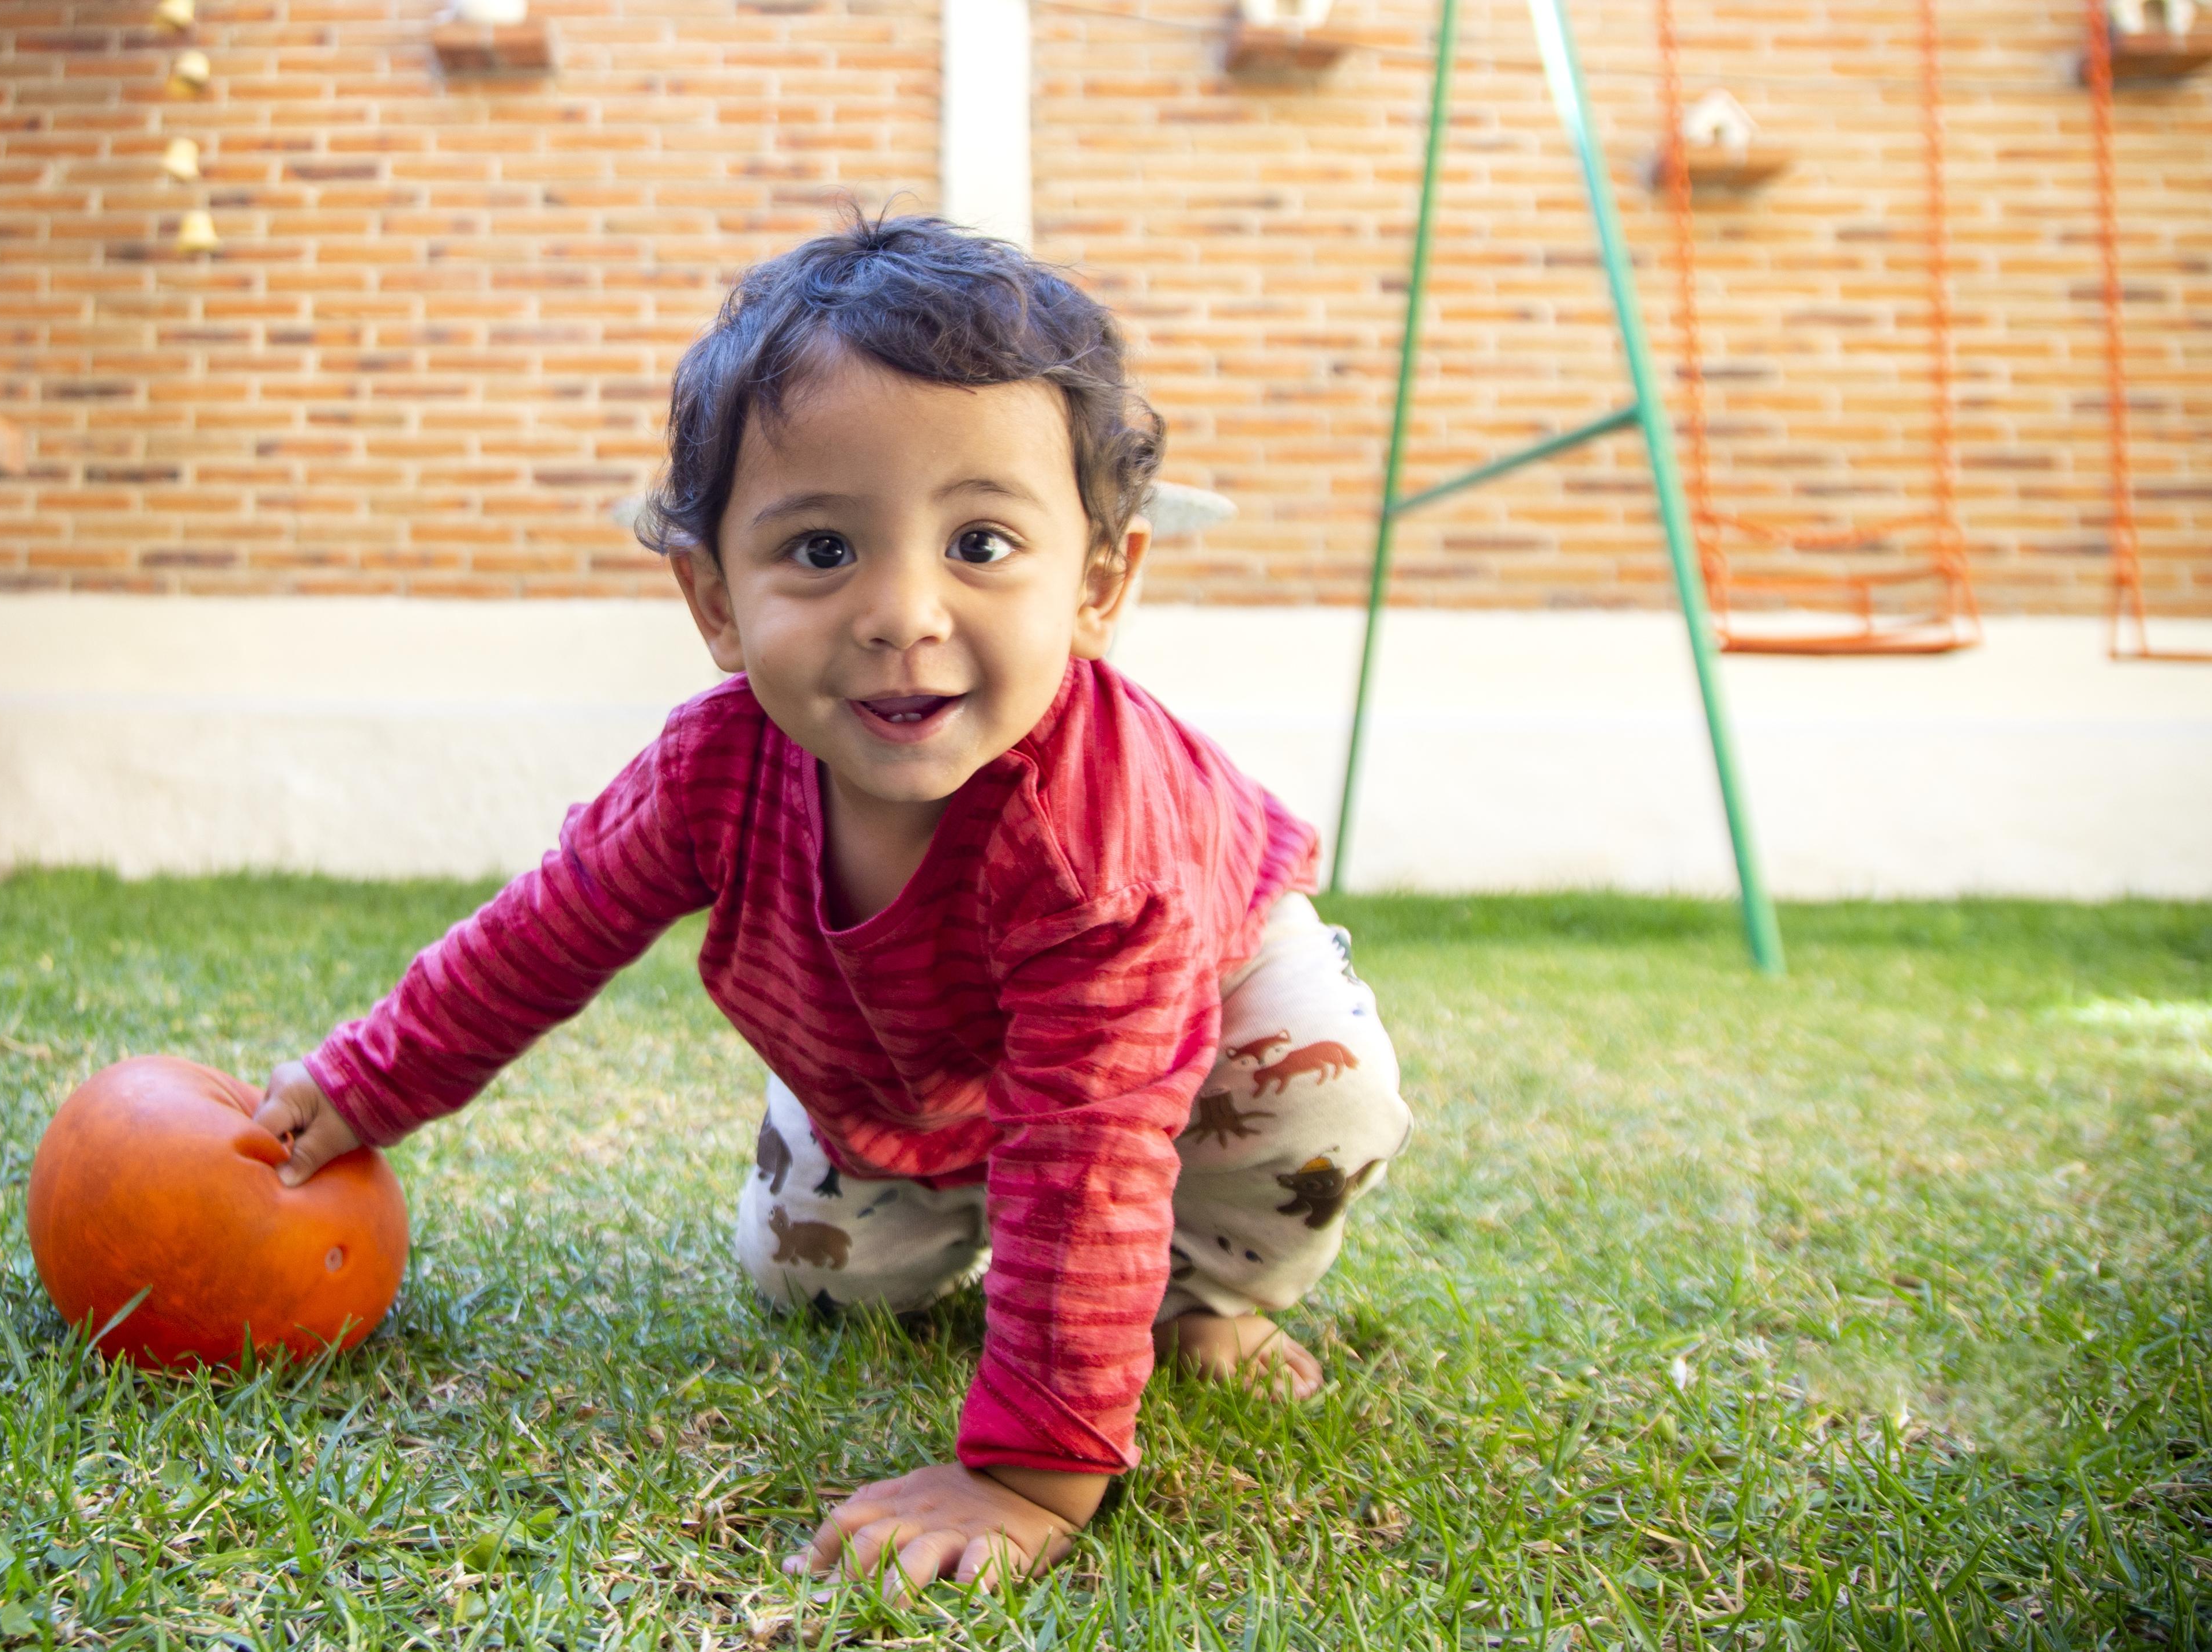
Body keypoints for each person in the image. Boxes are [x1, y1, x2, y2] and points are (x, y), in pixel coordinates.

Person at [251, 213, 1411, 1593]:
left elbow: (1092, 1131)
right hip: (906, 1049)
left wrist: (1031, 1474)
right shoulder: (710, 770)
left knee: (1311, 1099)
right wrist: (361, 1085)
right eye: (818, 551)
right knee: (811, 1280)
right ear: (714, 602)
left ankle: (1201, 1295)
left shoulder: (1098, 845)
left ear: (1099, 584)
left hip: (1196, 1018)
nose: (900, 612)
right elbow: (540, 937)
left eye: (980, 541)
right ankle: (927, 1163)